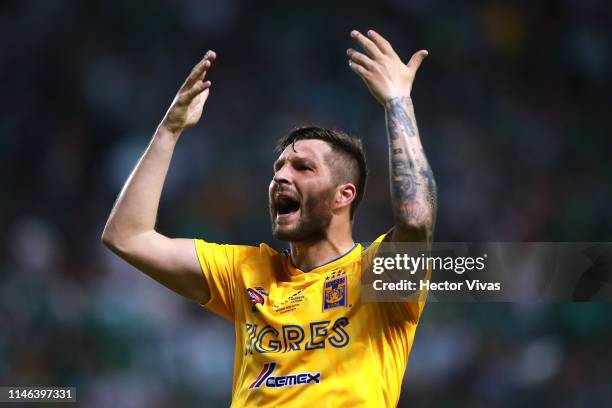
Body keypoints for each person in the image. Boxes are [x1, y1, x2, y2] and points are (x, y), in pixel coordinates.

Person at [102, 29, 436, 407]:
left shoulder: (378, 277)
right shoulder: (247, 272)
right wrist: (168, 131)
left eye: (302, 167)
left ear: (344, 195)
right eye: (278, 167)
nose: (280, 176)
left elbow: (415, 220)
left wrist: (397, 101)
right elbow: (126, 236)